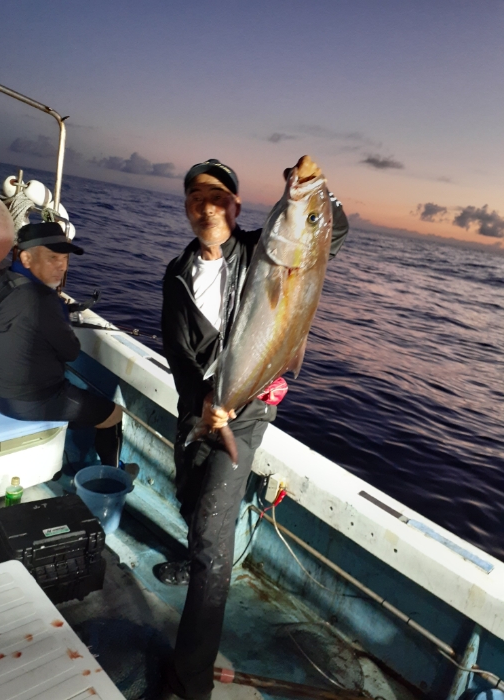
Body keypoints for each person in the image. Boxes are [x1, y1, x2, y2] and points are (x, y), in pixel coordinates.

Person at [159, 158, 349, 700]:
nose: (208, 204)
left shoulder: (263, 250)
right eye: (196, 195)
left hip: (248, 414)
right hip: (200, 409)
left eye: (219, 195)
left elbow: (333, 232)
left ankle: (189, 681)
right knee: (189, 497)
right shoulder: (176, 275)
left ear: (238, 208)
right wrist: (203, 403)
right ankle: (194, 553)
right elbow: (176, 351)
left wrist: (312, 193)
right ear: (187, 207)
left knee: (213, 542)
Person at [0, 221, 123, 468]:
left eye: (65, 257)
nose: (62, 266)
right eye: (52, 257)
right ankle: (113, 473)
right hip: (24, 401)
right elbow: (71, 351)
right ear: (25, 258)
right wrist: (61, 315)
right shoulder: (45, 301)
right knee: (113, 414)